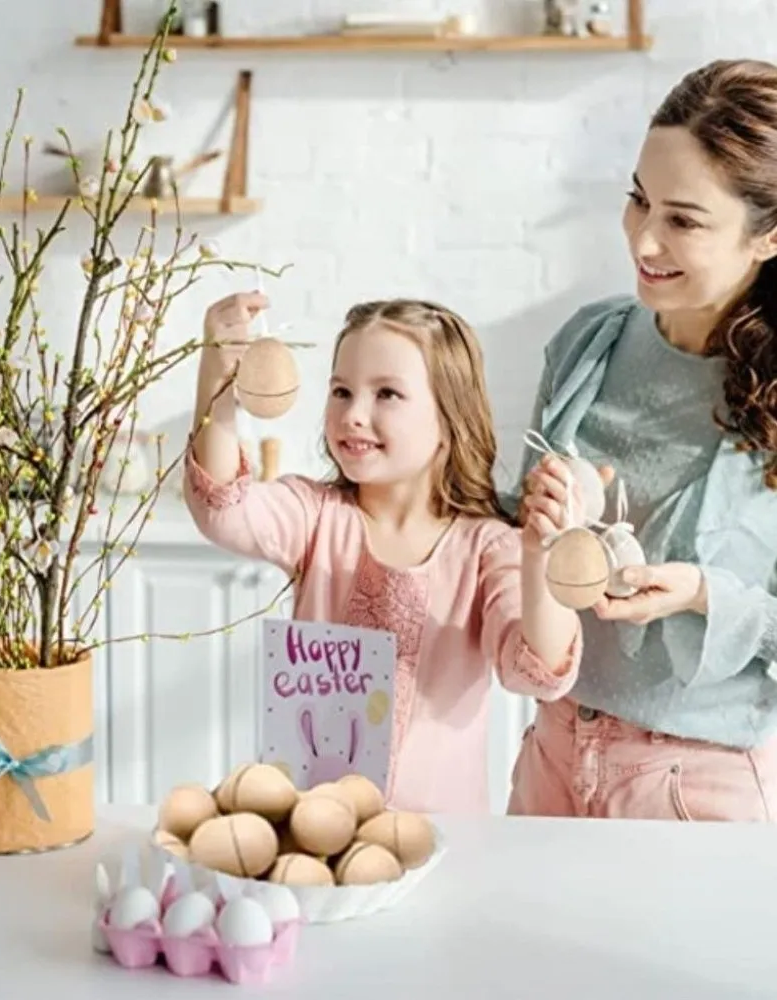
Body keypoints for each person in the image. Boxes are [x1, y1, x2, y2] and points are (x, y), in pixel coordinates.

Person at [183, 294, 582, 815]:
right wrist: (217, 371)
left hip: (440, 846)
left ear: (449, 418)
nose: (354, 415)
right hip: (312, 835)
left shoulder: (487, 547)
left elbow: (537, 673)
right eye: (341, 391)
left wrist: (541, 556)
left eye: (387, 394)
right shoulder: (314, 515)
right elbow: (221, 507)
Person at [506, 58, 777, 822]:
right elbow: (520, 552)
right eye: (638, 199)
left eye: (683, 219)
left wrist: (700, 594)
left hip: (699, 783)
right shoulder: (589, 342)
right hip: (556, 751)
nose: (644, 239)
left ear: (768, 236)